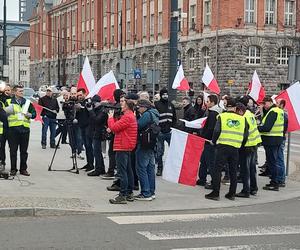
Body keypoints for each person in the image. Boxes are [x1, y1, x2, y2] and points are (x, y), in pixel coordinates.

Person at [205, 97, 248, 201]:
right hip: (235, 148)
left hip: (223, 146)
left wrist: (214, 141)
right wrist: (241, 145)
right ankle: (231, 194)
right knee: (233, 171)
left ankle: (215, 193)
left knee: (217, 169)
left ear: (226, 106)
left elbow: (216, 131)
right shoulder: (242, 119)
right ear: (235, 108)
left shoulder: (222, 116)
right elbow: (246, 135)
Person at [108, 96, 137, 204]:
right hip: (127, 145)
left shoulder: (127, 117)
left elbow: (114, 128)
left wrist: (110, 118)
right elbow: (120, 127)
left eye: (123, 104)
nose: (121, 106)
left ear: (128, 107)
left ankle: (122, 195)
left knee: (122, 171)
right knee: (128, 170)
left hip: (122, 145)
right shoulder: (129, 116)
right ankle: (129, 192)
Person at [4, 85, 36, 176]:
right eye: (20, 91)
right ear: (14, 92)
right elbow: (3, 114)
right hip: (13, 130)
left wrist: (30, 115)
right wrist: (7, 111)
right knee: (13, 151)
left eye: (22, 91)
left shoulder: (27, 103)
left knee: (24, 151)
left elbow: (34, 114)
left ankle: (23, 169)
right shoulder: (9, 101)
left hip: (25, 130)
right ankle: (13, 169)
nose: (22, 93)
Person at [258, 96, 286, 191]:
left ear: (270, 102)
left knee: (272, 162)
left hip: (271, 140)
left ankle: (274, 183)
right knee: (274, 161)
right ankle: (275, 181)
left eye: (265, 103)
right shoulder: (279, 111)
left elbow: (267, 128)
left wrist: (256, 128)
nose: (264, 106)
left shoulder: (273, 111)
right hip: (277, 139)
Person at [235, 99, 261, 197]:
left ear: (240, 111)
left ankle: (246, 190)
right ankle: (253, 188)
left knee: (245, 169)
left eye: (236, 112)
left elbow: (244, 135)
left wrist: (240, 146)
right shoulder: (249, 114)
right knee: (252, 168)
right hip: (254, 144)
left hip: (247, 146)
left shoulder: (243, 118)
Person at [135, 99, 159, 201]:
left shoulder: (146, 115)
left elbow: (137, 125)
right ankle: (151, 191)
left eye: (139, 107)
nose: (138, 109)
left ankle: (145, 192)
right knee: (150, 169)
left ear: (144, 107)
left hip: (144, 144)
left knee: (141, 168)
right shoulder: (155, 113)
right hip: (152, 144)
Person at [197, 94, 221, 187]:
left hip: (209, 141)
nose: (206, 103)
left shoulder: (213, 113)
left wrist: (203, 136)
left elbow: (211, 128)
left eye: (207, 101)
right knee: (203, 160)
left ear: (213, 102)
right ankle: (202, 178)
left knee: (211, 162)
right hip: (207, 140)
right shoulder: (211, 111)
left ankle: (214, 182)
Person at [154, 88, 177, 176]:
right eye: (163, 94)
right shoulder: (156, 104)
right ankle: (160, 168)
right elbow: (154, 118)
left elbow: (174, 118)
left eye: (166, 94)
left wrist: (173, 128)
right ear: (160, 95)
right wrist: (157, 129)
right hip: (160, 132)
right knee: (160, 151)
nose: (165, 96)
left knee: (173, 150)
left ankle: (172, 167)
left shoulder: (171, 105)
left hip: (169, 132)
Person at [86, 95, 108, 176]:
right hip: (95, 132)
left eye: (94, 103)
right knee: (97, 151)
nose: (93, 104)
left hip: (99, 133)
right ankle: (100, 168)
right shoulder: (97, 109)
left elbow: (97, 120)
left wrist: (91, 111)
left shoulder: (103, 110)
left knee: (97, 152)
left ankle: (98, 169)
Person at [276, 99, 288, 187]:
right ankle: (280, 178)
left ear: (282, 105)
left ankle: (281, 179)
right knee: (278, 159)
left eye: (277, 103)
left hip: (280, 138)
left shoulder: (282, 114)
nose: (275, 104)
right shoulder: (282, 113)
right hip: (280, 138)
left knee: (279, 159)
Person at [0, 81, 10, 167]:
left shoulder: (8, 99)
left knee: (9, 147)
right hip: (1, 128)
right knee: (1, 146)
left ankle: (3, 162)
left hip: (8, 127)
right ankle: (2, 161)